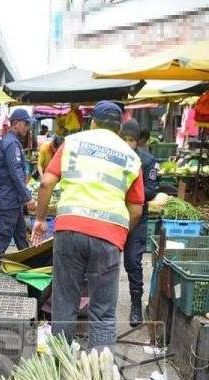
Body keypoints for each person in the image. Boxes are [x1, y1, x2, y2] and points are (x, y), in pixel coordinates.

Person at [32, 101, 144, 349]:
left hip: (70, 230)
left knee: (64, 302)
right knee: (103, 312)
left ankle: (60, 368)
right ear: (119, 127)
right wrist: (119, 234)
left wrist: (40, 220)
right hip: (108, 236)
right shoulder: (131, 158)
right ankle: (100, 378)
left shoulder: (72, 143)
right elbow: (137, 209)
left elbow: (46, 183)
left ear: (92, 121)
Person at [0, 109, 36, 274]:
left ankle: (30, 267)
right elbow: (15, 173)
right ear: (15, 124)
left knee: (21, 235)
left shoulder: (10, 141)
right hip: (9, 199)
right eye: (25, 123)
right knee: (3, 236)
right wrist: (27, 197)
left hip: (12, 199)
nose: (28, 127)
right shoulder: (12, 143)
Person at [120, 119, 159, 326]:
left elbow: (152, 189)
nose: (127, 144)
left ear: (138, 141)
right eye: (124, 139)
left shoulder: (147, 160)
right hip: (114, 215)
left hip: (137, 217)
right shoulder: (114, 157)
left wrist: (130, 194)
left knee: (133, 262)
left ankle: (136, 305)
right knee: (102, 262)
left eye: (131, 140)